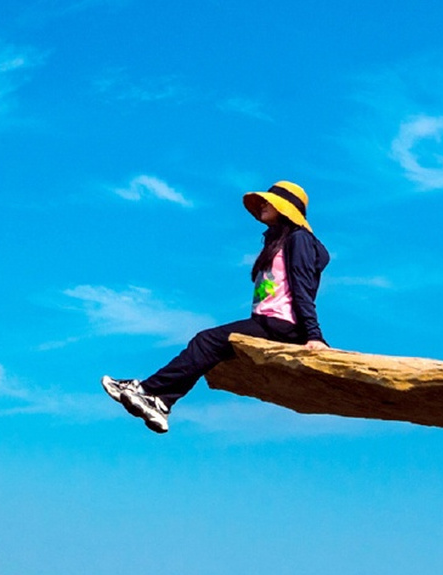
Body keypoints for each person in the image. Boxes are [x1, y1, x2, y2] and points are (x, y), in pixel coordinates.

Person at [103, 180, 328, 432]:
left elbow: (302, 288)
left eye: (270, 201)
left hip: (282, 324)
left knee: (206, 340)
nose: (263, 204)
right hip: (268, 322)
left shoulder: (299, 240)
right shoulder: (277, 241)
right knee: (209, 349)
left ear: (285, 208)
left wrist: (313, 335)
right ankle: (161, 401)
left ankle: (147, 390)